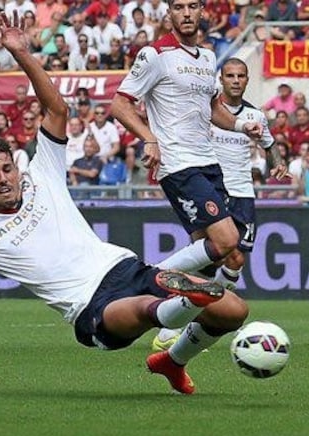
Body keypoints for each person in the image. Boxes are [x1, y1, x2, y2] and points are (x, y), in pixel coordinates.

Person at [0, 13, 248, 395]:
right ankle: (178, 303)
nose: (3, 179)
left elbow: (57, 110)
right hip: (93, 307)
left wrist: (21, 53)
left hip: (124, 267)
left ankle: (171, 359)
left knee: (235, 312)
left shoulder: (41, 175)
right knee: (146, 309)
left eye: (6, 169)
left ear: (16, 169)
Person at [110, 0, 263, 279]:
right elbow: (120, 105)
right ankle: (145, 279)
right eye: (179, 7)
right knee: (227, 239)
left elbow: (214, 107)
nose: (187, 13)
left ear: (203, 11)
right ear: (169, 13)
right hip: (179, 164)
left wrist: (242, 125)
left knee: (220, 260)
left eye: (193, 6)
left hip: (209, 163)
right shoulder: (155, 54)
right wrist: (149, 138)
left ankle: (181, 324)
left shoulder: (206, 57)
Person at [152, 58, 285, 350]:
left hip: (243, 194)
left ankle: (198, 312)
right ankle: (176, 307)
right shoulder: (206, 113)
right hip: (211, 188)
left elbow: (269, 144)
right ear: (220, 80)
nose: (235, 80)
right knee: (211, 257)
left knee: (235, 260)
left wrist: (277, 163)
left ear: (247, 80)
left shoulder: (255, 115)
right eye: (230, 76)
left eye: (241, 76)